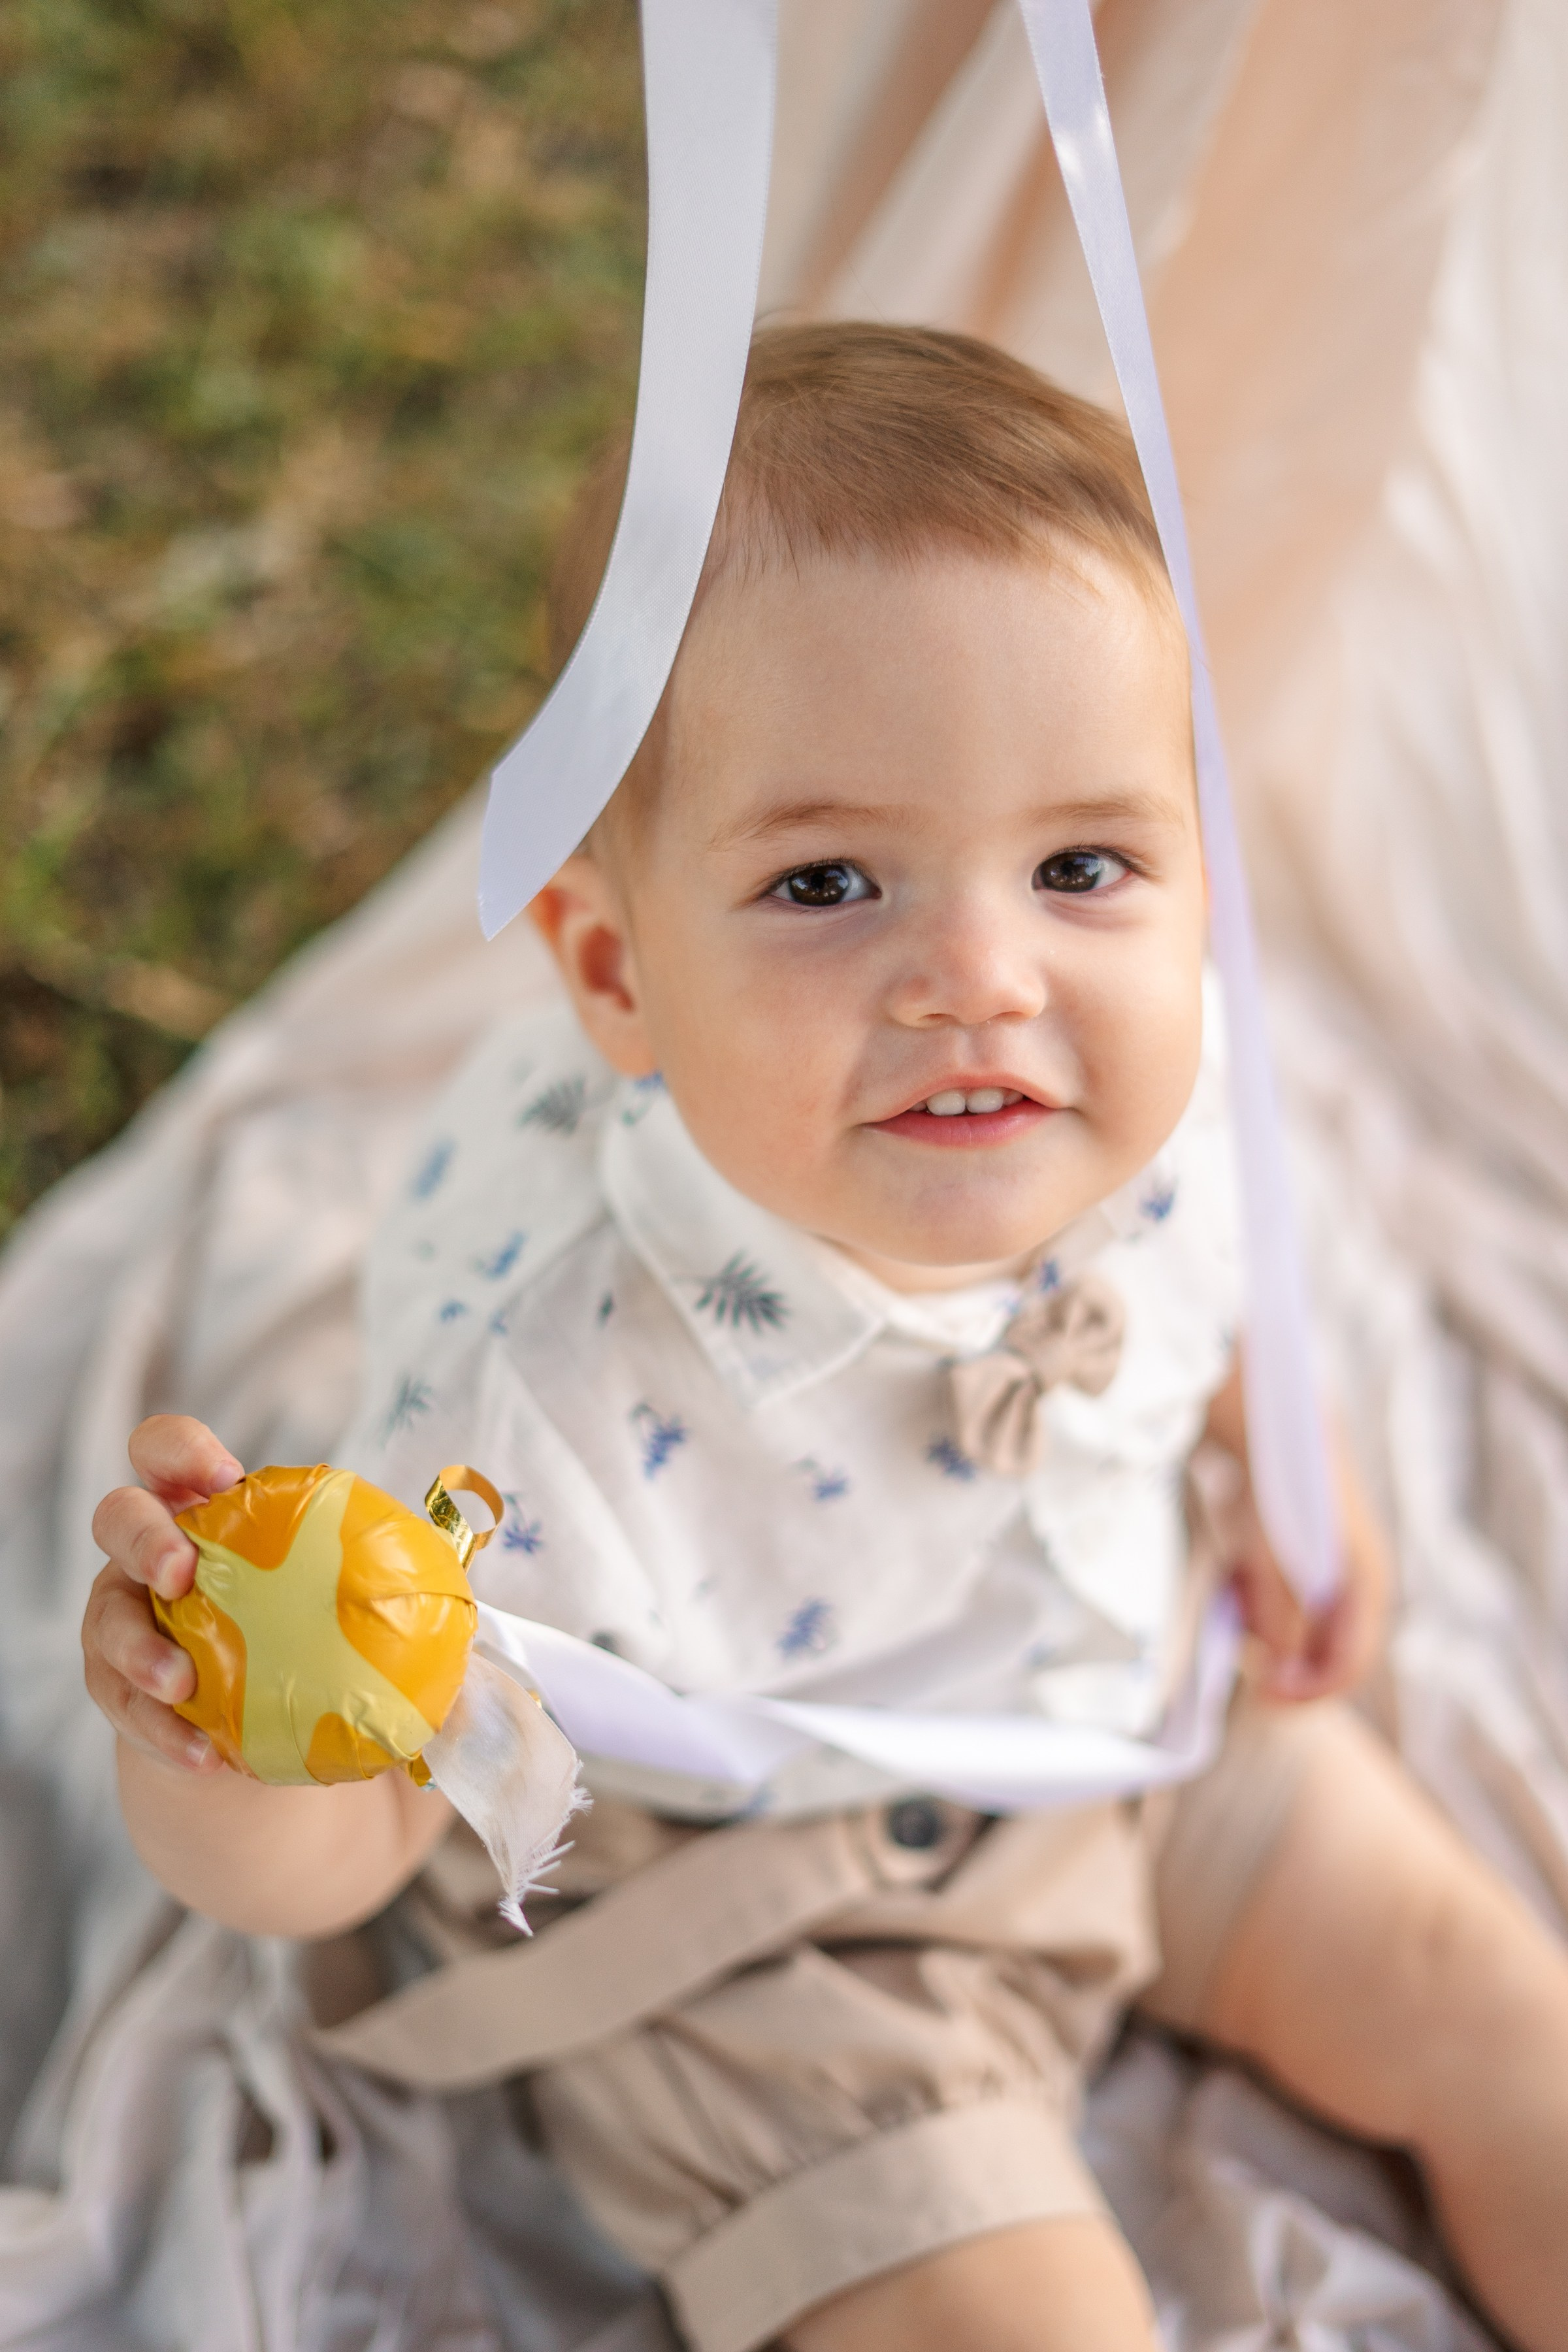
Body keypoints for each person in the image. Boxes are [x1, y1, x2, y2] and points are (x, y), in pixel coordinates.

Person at [81, 325, 1568, 2352]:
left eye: (1081, 865)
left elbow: (1207, 1304)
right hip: (773, 1929)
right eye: (831, 881)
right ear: (616, 973)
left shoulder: (1154, 1086)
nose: (981, 976)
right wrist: (215, 1743)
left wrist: (1293, 1476)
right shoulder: (538, 1399)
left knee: (1515, 2038)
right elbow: (347, 1851)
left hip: (1131, 1720)